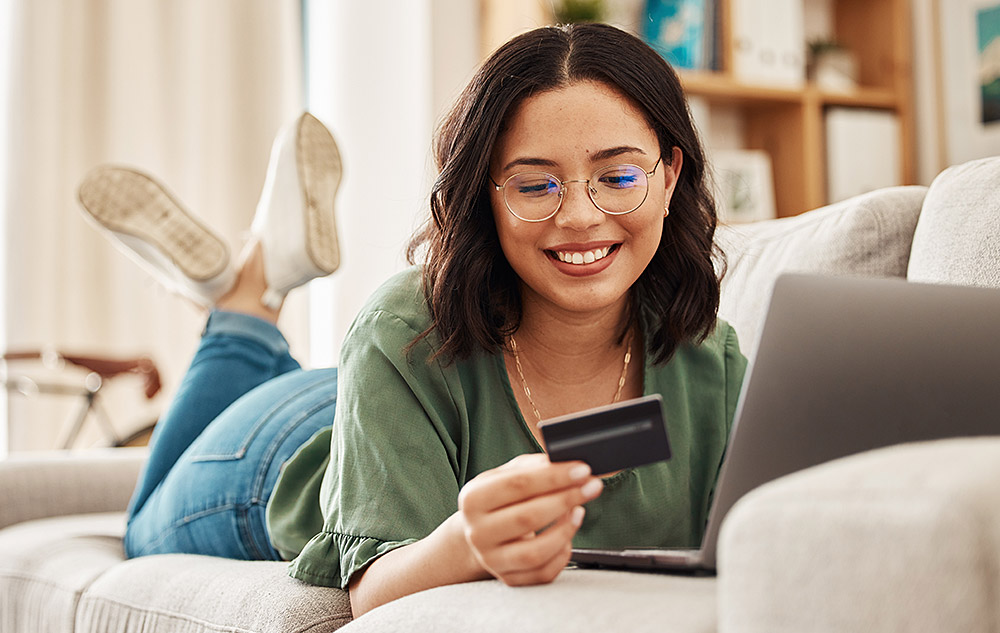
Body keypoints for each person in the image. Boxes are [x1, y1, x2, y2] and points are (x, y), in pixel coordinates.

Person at [80, 23, 747, 618]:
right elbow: (368, 593)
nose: (578, 215)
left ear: (668, 174)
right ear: (484, 198)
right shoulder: (403, 326)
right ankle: (241, 307)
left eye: (618, 176)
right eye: (534, 184)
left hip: (387, 403)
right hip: (280, 450)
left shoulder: (708, 356)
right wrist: (463, 543)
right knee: (140, 529)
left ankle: (251, 280)